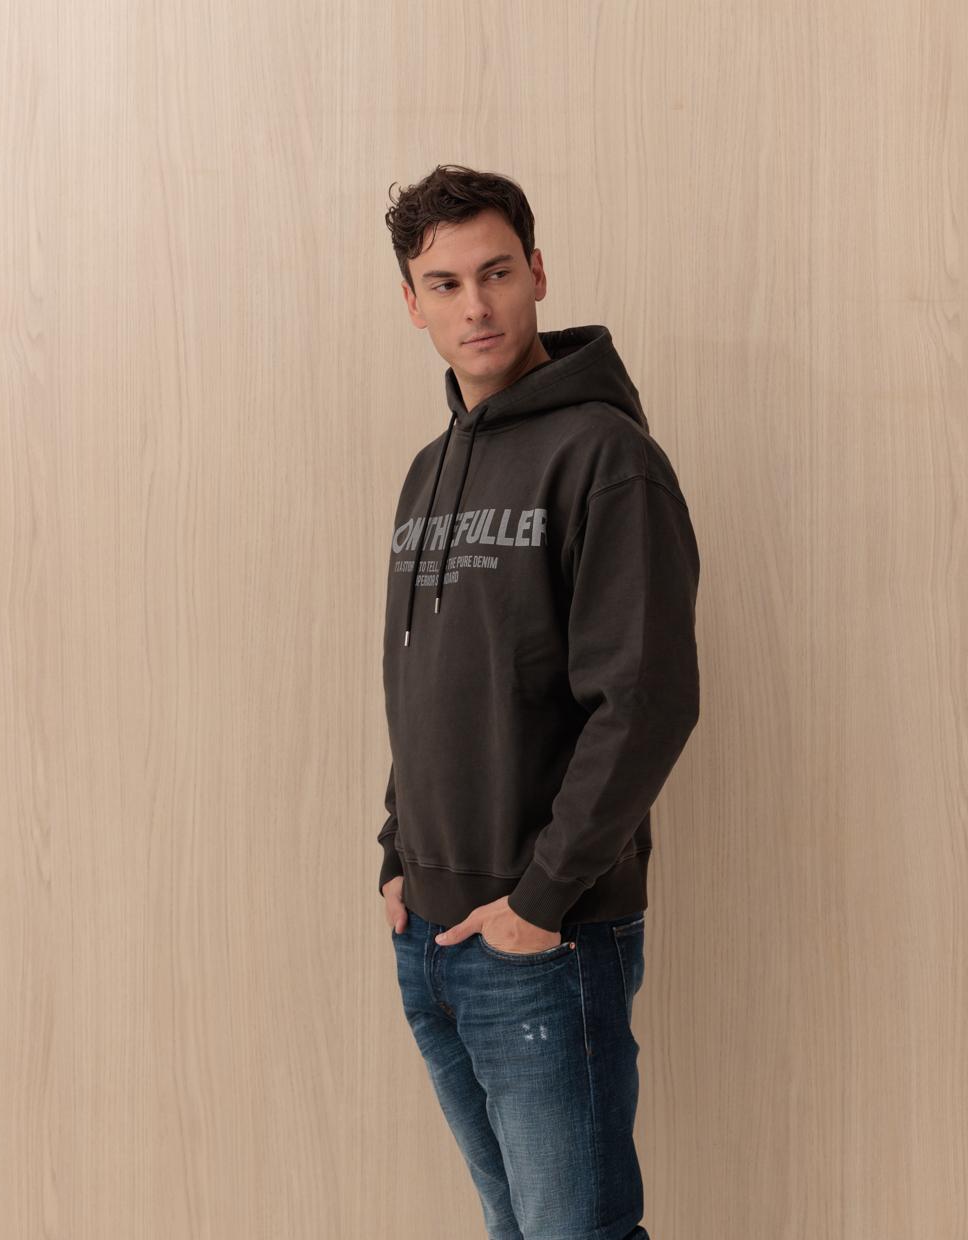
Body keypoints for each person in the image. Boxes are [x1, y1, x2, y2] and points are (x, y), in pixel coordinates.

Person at [377, 163, 700, 1240]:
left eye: (497, 272)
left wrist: (540, 902)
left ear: (538, 274)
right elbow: (428, 678)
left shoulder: (607, 459)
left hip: (542, 936)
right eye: (445, 283)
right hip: (431, 929)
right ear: (412, 303)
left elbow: (646, 700)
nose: (475, 305)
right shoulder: (427, 471)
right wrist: (396, 852)